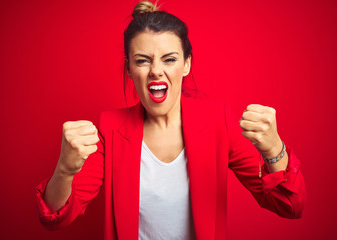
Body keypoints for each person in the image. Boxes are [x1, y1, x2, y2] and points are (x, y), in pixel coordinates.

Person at [35, 1, 306, 239]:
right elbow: (55, 216)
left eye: (169, 59)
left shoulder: (216, 122)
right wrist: (65, 170)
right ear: (129, 68)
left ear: (186, 64)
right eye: (142, 61)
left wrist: (274, 150)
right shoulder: (109, 129)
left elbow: (289, 206)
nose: (156, 71)